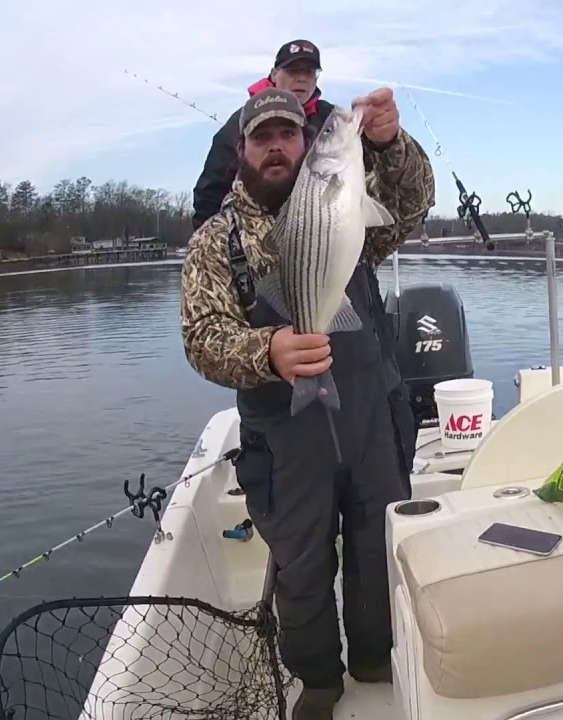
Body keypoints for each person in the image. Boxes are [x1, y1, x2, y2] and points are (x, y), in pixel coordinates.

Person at [180, 87, 433, 718]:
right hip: (287, 434)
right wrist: (268, 351)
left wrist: (388, 144)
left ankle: (376, 655)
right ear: (241, 151)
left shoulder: (345, 208)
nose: (276, 147)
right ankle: (319, 678)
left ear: (304, 144)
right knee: (301, 561)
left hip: (371, 415)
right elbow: (201, 336)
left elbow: (412, 205)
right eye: (261, 138)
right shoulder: (218, 240)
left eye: (288, 136)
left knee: (378, 541)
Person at [190, 39, 337, 228]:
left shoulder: (333, 119)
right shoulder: (239, 124)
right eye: (293, 70)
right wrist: (210, 241)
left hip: (323, 229)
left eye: (308, 72)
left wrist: (382, 142)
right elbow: (210, 194)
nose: (301, 78)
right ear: (274, 73)